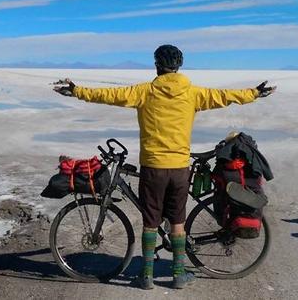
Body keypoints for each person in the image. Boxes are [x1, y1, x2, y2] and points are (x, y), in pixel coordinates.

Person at [53, 44, 276, 290]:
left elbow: (108, 95)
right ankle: (178, 276)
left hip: (153, 168)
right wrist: (254, 93)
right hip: (180, 168)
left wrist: (77, 91)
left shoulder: (145, 91)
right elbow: (224, 96)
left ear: (157, 65)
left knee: (150, 222)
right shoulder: (192, 93)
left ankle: (146, 277)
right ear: (179, 66)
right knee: (177, 223)